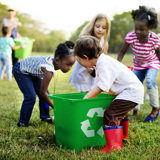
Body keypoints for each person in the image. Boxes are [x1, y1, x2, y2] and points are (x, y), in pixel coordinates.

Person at [74, 36, 144, 153]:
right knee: (119, 113)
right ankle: (122, 137)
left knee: (111, 114)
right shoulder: (102, 62)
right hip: (130, 91)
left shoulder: (104, 63)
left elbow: (101, 87)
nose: (80, 63)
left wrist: (86, 98)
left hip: (131, 92)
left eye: (79, 60)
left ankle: (114, 146)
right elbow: (97, 84)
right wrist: (91, 94)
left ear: (85, 57)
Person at [12, 41, 75, 127]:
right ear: (57, 60)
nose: (69, 68)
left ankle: (45, 117)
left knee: (46, 95)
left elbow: (44, 93)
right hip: (21, 70)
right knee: (31, 97)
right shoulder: (48, 69)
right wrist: (55, 106)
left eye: (72, 65)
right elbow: (42, 92)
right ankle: (23, 122)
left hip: (31, 72)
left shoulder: (57, 59)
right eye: (67, 64)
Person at [117, 6, 160, 121]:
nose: (137, 32)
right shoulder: (131, 36)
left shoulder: (154, 39)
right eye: (136, 28)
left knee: (150, 81)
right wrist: (117, 65)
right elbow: (122, 52)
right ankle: (135, 111)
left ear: (149, 28)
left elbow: (158, 54)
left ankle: (155, 108)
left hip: (152, 63)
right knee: (135, 85)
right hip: (138, 65)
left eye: (141, 29)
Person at [70, 13, 111, 92]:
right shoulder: (86, 39)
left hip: (94, 71)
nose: (100, 30)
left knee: (94, 90)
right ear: (93, 25)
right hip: (83, 70)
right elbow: (77, 56)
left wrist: (95, 68)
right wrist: (87, 67)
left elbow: (104, 60)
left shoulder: (104, 43)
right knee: (85, 91)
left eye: (104, 28)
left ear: (107, 29)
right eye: (97, 26)